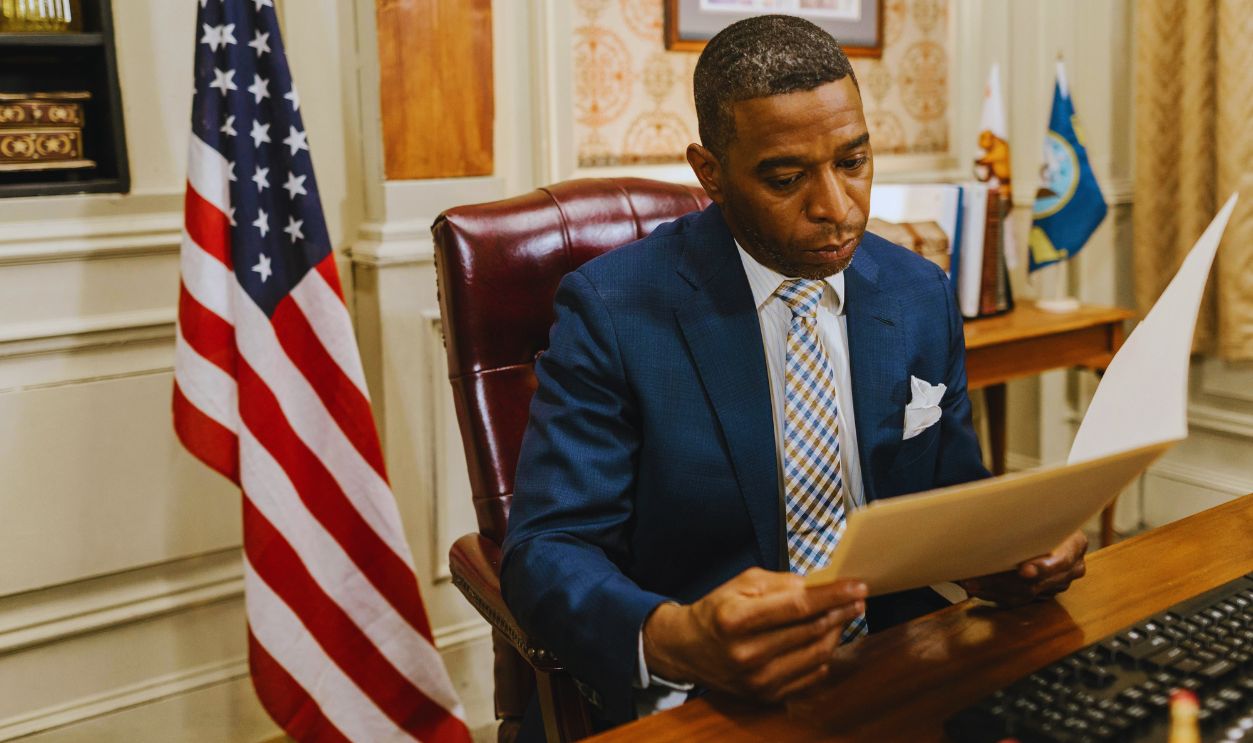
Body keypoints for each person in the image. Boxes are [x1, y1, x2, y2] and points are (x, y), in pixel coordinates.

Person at [500, 13, 1088, 736]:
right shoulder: (613, 309)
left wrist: (1006, 548)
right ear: (710, 173)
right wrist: (673, 637)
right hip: (705, 691)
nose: (836, 209)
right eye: (785, 178)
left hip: (894, 657)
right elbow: (546, 549)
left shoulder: (917, 292)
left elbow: (951, 488)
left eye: (853, 161)